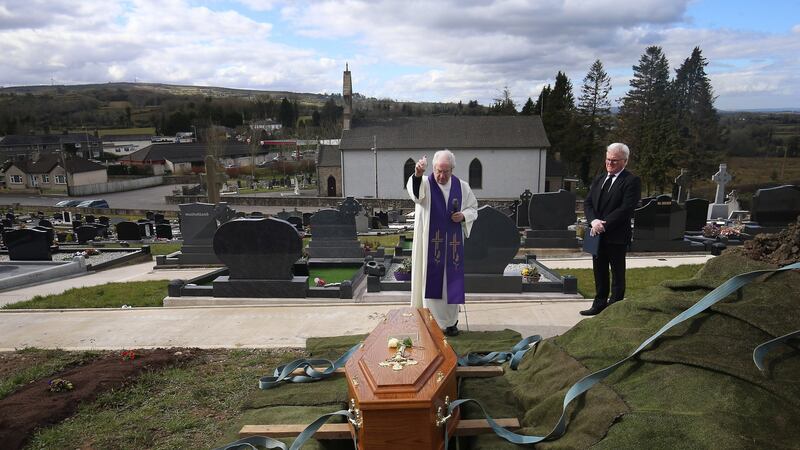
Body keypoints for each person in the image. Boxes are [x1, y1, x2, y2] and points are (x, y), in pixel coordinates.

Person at [407, 149, 478, 335]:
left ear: (452, 169)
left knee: (450, 284)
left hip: (452, 246)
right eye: (438, 170)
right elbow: (416, 195)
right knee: (430, 281)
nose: (441, 175)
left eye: (446, 171)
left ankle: (450, 322)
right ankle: (430, 322)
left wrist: (463, 215)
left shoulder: (462, 187)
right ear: (433, 168)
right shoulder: (425, 183)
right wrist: (417, 174)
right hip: (430, 245)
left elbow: (473, 208)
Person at [581, 143, 642, 316]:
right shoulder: (599, 178)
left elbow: (626, 208)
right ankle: (599, 303)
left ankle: (614, 307)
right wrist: (593, 221)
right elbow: (588, 203)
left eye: (614, 161)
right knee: (599, 270)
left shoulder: (631, 181)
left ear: (625, 161)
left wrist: (604, 224)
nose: (610, 163)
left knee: (617, 272)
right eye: (608, 159)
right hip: (595, 233)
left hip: (616, 235)